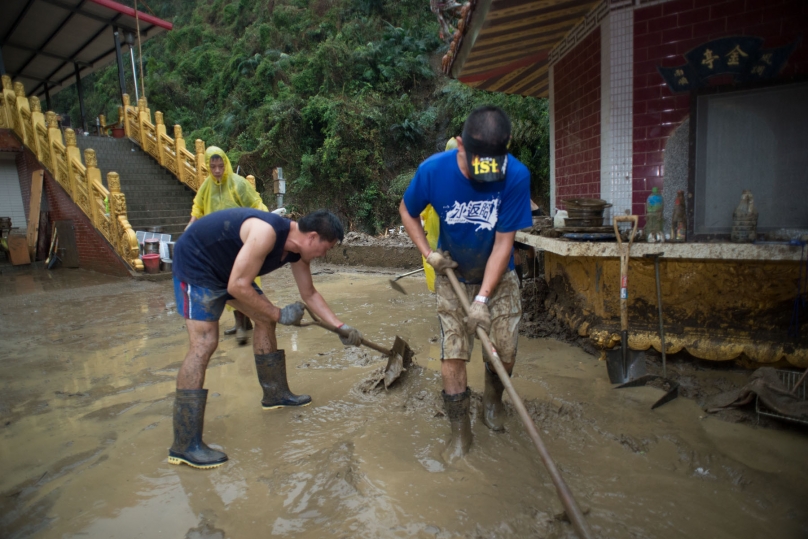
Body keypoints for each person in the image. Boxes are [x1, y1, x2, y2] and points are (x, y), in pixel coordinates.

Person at [169, 207, 363, 469]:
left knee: (264, 319)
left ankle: (275, 395)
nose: (324, 254)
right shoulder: (266, 233)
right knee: (205, 342)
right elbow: (237, 286)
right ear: (313, 237)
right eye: (326, 248)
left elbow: (310, 294)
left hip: (230, 270)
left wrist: (340, 326)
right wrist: (280, 313)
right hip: (197, 262)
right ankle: (184, 444)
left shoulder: (297, 252)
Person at [399, 106, 532, 463]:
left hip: (498, 278)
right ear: (460, 145)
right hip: (453, 274)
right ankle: (460, 430)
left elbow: (504, 243)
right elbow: (407, 210)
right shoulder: (433, 171)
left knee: (504, 351)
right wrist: (429, 254)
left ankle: (492, 400)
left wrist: (483, 299)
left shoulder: (516, 175)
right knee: (453, 355)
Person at [187, 146, 269, 345]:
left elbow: (257, 204)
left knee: (240, 283)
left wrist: (264, 225)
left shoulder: (238, 184)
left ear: (226, 164)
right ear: (208, 166)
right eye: (213, 166)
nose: (217, 170)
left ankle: (243, 325)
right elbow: (198, 208)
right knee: (227, 284)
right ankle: (243, 322)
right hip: (219, 246)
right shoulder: (206, 187)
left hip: (240, 243)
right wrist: (190, 228)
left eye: (220, 165)